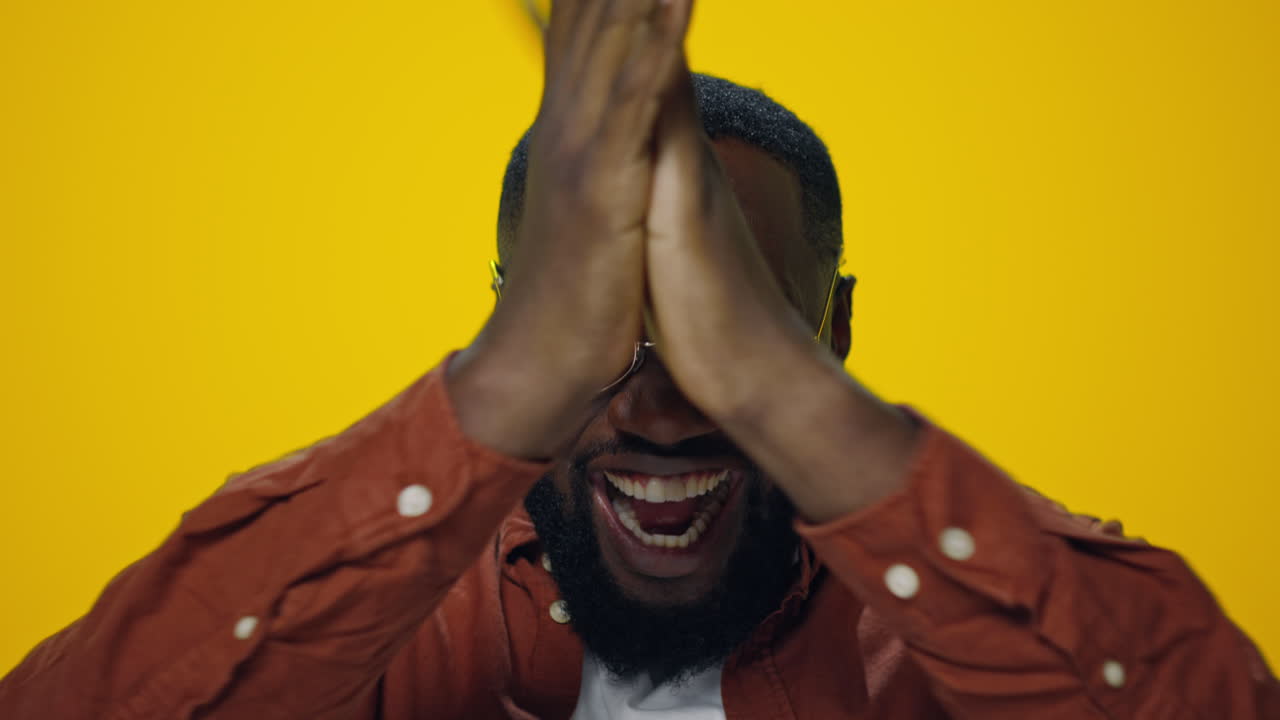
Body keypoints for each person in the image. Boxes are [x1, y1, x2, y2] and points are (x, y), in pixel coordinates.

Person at [2, 1, 1276, 718]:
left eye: (725, 328)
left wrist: (777, 392)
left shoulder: (965, 633)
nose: (664, 403)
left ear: (828, 333)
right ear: (523, 319)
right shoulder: (369, 626)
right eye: (610, 330)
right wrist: (516, 385)